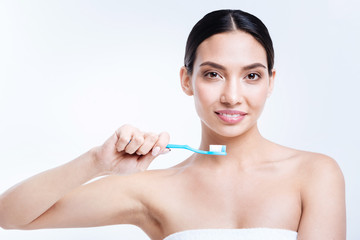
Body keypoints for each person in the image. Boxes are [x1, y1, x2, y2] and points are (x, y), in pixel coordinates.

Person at [0, 9, 346, 240]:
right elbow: (12, 216)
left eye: (251, 76)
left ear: (270, 82)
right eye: (213, 74)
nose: (232, 96)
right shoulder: (152, 188)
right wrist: (95, 162)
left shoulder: (314, 173)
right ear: (186, 80)